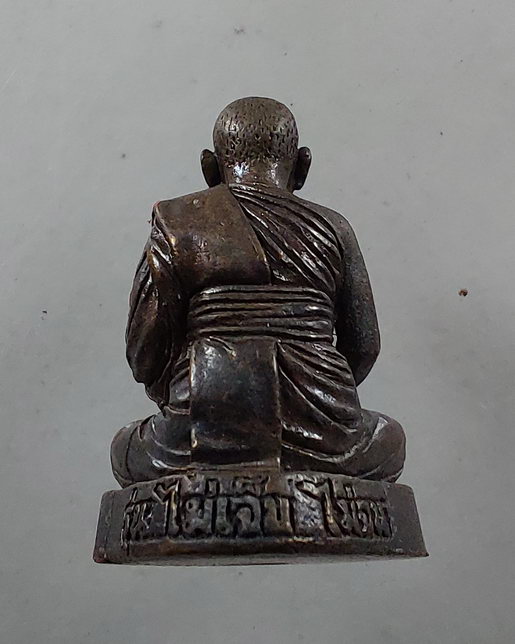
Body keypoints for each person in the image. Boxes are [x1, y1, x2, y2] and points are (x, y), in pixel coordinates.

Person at [111, 97, 405, 488]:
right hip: (322, 429)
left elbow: (144, 352)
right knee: (389, 440)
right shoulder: (334, 228)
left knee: (126, 450)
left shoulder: (177, 224)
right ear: (303, 165)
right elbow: (364, 346)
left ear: (209, 168)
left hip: (201, 417)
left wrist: (186, 397)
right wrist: (322, 394)